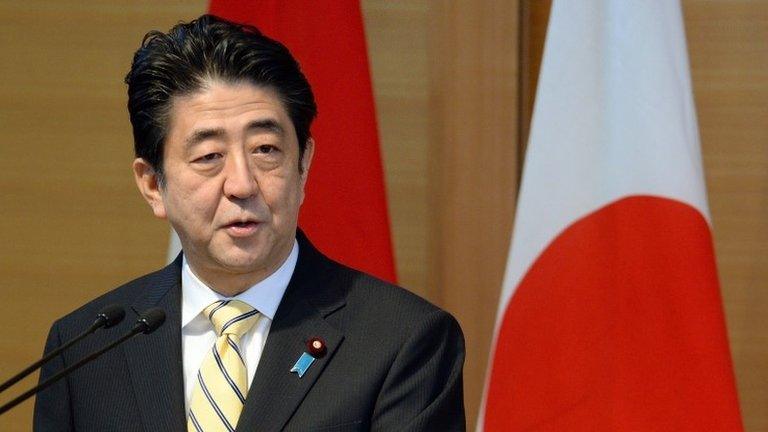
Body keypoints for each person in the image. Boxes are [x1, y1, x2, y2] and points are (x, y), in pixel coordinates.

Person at [33, 14, 465, 432]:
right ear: (152, 184)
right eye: (209, 157)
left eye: (265, 150)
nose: (241, 184)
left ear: (303, 166)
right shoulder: (87, 349)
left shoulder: (403, 340)